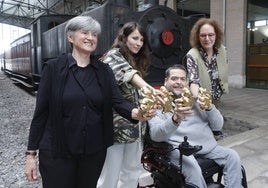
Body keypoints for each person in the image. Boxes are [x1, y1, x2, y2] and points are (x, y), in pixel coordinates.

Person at [24, 16, 155, 188]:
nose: (90, 37)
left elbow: (118, 102)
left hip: (92, 153)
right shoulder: (53, 69)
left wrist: (137, 113)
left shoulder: (103, 71)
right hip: (58, 151)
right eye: (84, 32)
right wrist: (30, 155)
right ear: (70, 37)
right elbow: (41, 113)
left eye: (94, 34)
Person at [148, 64, 242, 188]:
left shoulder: (196, 99)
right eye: (174, 78)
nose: (179, 82)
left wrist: (210, 107)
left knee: (232, 156)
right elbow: (155, 135)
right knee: (194, 169)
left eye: (182, 79)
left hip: (207, 146)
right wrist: (174, 120)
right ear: (166, 81)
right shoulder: (157, 103)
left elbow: (218, 126)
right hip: (179, 150)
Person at [97, 21, 159, 188]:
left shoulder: (135, 60)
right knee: (109, 177)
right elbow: (128, 74)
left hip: (136, 129)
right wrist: (150, 89)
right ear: (124, 38)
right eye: (135, 38)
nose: (139, 43)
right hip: (116, 132)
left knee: (131, 175)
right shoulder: (112, 56)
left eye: (142, 40)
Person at [185, 17, 228, 105]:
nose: (207, 38)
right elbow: (193, 81)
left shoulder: (223, 50)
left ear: (216, 35)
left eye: (211, 35)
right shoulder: (192, 55)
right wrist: (198, 98)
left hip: (216, 98)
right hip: (200, 100)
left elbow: (224, 69)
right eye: (203, 35)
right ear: (198, 37)